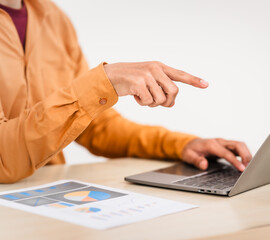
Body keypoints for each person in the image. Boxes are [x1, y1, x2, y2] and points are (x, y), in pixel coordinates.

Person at [0, 0, 252, 183]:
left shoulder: (53, 18)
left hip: (41, 200)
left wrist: (182, 145)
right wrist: (102, 81)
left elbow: (95, 127)